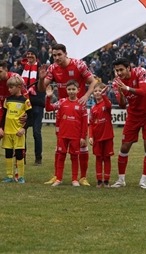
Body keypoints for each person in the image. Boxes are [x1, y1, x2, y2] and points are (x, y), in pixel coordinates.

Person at [38, 44, 96, 186]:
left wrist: (87, 96)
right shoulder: (52, 68)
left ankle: (82, 177)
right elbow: (42, 88)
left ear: (66, 54)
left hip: (78, 110)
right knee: (60, 146)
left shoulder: (79, 64)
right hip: (63, 110)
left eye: (59, 55)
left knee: (82, 146)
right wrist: (41, 79)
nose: (56, 58)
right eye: (54, 55)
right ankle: (57, 175)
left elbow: (93, 81)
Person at [110, 57, 146, 189]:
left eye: (121, 70)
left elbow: (143, 92)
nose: (119, 73)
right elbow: (122, 105)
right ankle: (121, 180)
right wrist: (121, 93)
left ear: (128, 68)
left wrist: (127, 88)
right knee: (124, 146)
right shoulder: (116, 83)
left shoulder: (140, 71)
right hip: (133, 115)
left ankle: (143, 180)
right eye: (116, 70)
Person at [45, 80, 88, 187]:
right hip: (63, 135)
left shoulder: (82, 104)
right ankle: (59, 179)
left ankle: (74, 179)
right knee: (61, 156)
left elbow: (84, 122)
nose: (71, 91)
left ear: (78, 90)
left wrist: (83, 136)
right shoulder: (62, 102)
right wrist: (49, 97)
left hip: (75, 136)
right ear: (66, 90)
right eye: (69, 89)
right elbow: (49, 108)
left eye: (73, 89)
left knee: (74, 157)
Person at [0, 60, 27, 179]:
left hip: (16, 115)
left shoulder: (17, 78)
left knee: (18, 147)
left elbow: (25, 97)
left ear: (6, 71)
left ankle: (18, 174)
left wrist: (25, 115)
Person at [0, 76, 32, 184]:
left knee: (19, 154)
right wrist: (1, 128)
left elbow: (31, 117)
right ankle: (9, 176)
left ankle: (21, 176)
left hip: (18, 132)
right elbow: (3, 115)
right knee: (8, 153)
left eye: (11, 87)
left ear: (19, 87)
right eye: (8, 87)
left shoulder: (25, 101)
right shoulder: (7, 100)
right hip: (8, 132)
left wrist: (24, 129)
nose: (9, 89)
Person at [21, 47, 45, 166]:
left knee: (36, 132)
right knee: (22, 131)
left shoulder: (41, 68)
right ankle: (22, 156)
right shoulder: (22, 68)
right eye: (28, 53)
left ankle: (38, 157)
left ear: (36, 56)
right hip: (24, 104)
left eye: (32, 54)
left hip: (37, 104)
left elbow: (44, 84)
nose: (30, 56)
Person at [88, 83, 114, 188]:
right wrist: (90, 136)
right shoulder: (93, 108)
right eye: (96, 91)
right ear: (93, 93)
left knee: (107, 158)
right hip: (97, 138)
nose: (98, 92)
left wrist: (104, 95)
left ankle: (106, 181)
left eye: (100, 90)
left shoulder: (106, 104)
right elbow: (91, 123)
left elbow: (108, 105)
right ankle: (99, 180)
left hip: (107, 136)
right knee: (98, 158)